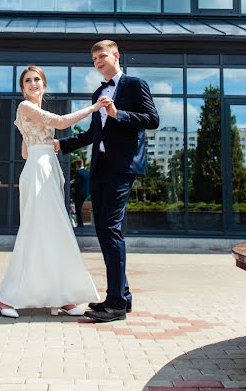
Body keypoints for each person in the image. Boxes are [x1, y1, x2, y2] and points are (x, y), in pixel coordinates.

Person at [56, 40, 159, 323]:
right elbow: (93, 133)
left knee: (110, 229)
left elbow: (152, 119)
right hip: (100, 168)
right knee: (102, 230)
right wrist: (61, 145)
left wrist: (118, 114)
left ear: (116, 56)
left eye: (101, 56)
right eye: (93, 59)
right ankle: (121, 297)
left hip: (122, 167)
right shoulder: (98, 93)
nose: (97, 62)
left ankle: (114, 303)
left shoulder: (135, 85)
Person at [0, 65, 108, 319]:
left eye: (37, 80)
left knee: (56, 232)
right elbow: (60, 122)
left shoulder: (34, 112)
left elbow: (25, 150)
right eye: (28, 81)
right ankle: (4, 299)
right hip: (38, 171)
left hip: (47, 167)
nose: (33, 84)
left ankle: (62, 298)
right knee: (35, 232)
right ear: (23, 88)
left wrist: (39, 145)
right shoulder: (25, 107)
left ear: (43, 85)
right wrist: (93, 108)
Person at [70, 158, 90, 228]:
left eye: (76, 165)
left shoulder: (79, 172)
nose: (75, 167)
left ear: (78, 164)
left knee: (78, 209)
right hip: (85, 193)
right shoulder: (87, 172)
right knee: (79, 208)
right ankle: (80, 223)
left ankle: (80, 224)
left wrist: (69, 185)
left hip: (79, 193)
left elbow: (77, 183)